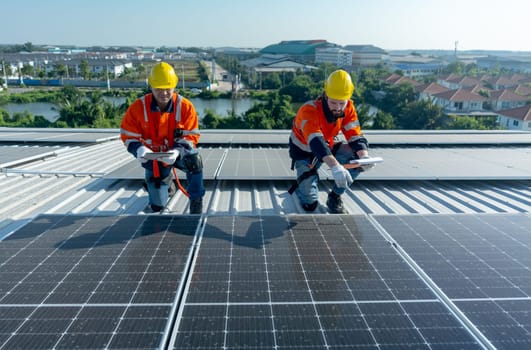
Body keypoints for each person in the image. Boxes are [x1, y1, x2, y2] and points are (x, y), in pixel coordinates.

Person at [120, 62, 205, 214]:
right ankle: (165, 184)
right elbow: (128, 135)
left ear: (174, 86)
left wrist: (177, 151)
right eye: (159, 89)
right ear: (151, 86)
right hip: (153, 160)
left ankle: (196, 201)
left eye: (168, 89)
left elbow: (191, 136)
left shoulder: (185, 107)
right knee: (157, 207)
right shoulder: (138, 108)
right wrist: (139, 150)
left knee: (194, 160)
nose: (164, 93)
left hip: (177, 155)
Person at [289, 69, 373, 214]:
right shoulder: (309, 110)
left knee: (356, 158)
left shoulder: (348, 108)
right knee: (310, 204)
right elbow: (316, 141)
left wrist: (364, 156)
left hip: (327, 147)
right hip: (305, 153)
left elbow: (355, 135)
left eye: (342, 103)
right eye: (333, 102)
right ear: (325, 95)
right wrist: (335, 166)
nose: (338, 108)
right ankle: (305, 185)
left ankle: (335, 196)